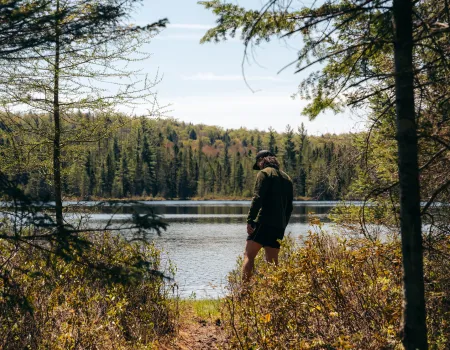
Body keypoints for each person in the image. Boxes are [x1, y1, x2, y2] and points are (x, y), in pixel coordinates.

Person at [243, 150, 294, 282]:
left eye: (258, 163)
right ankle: (274, 294)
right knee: (272, 262)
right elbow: (289, 207)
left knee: (249, 255)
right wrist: (283, 225)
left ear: (262, 160)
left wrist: (250, 220)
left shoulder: (264, 173)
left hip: (263, 222)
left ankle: (243, 293)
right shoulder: (287, 178)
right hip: (278, 227)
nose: (259, 167)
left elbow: (257, 198)